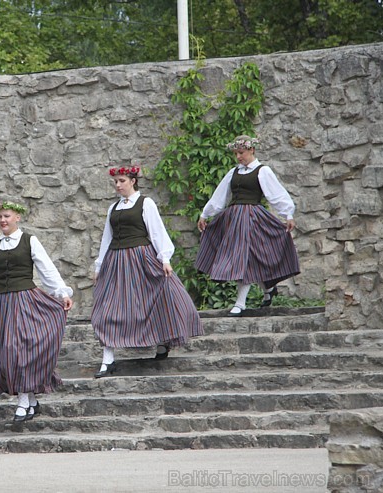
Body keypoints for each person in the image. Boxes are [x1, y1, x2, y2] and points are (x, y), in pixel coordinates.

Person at [0, 201, 73, 422]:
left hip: (25, 302)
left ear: (17, 218)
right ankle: (31, 401)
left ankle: (23, 403)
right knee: (6, 354)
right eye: (0, 217)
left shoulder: (29, 240)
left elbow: (46, 267)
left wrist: (61, 293)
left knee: (18, 350)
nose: (3, 220)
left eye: (7, 216)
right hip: (0, 306)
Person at [91, 165, 203, 378]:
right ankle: (108, 359)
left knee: (154, 301)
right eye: (116, 182)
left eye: (122, 181)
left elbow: (157, 230)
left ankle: (162, 343)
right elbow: (107, 237)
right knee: (107, 308)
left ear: (133, 181)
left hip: (141, 259)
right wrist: (99, 265)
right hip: (116, 262)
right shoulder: (113, 208)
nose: (118, 185)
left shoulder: (146, 203)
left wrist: (165, 258)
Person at [195, 135, 300, 316]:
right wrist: (206, 214)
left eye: (241, 152)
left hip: (253, 219)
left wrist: (288, 214)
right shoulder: (233, 172)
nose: (238, 157)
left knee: (246, 258)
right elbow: (220, 196)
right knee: (248, 258)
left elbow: (276, 194)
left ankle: (240, 303)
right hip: (234, 220)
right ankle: (268, 289)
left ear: (252, 150)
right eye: (236, 153)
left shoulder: (262, 171)